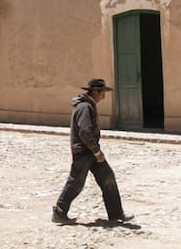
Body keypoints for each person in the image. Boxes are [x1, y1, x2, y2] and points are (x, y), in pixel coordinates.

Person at [51, 78, 133, 224]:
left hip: (90, 151)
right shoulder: (84, 107)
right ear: (95, 92)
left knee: (108, 178)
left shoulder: (88, 105)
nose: (104, 96)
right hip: (84, 152)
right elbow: (84, 132)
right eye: (102, 93)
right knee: (76, 182)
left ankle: (116, 214)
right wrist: (96, 151)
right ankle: (59, 211)